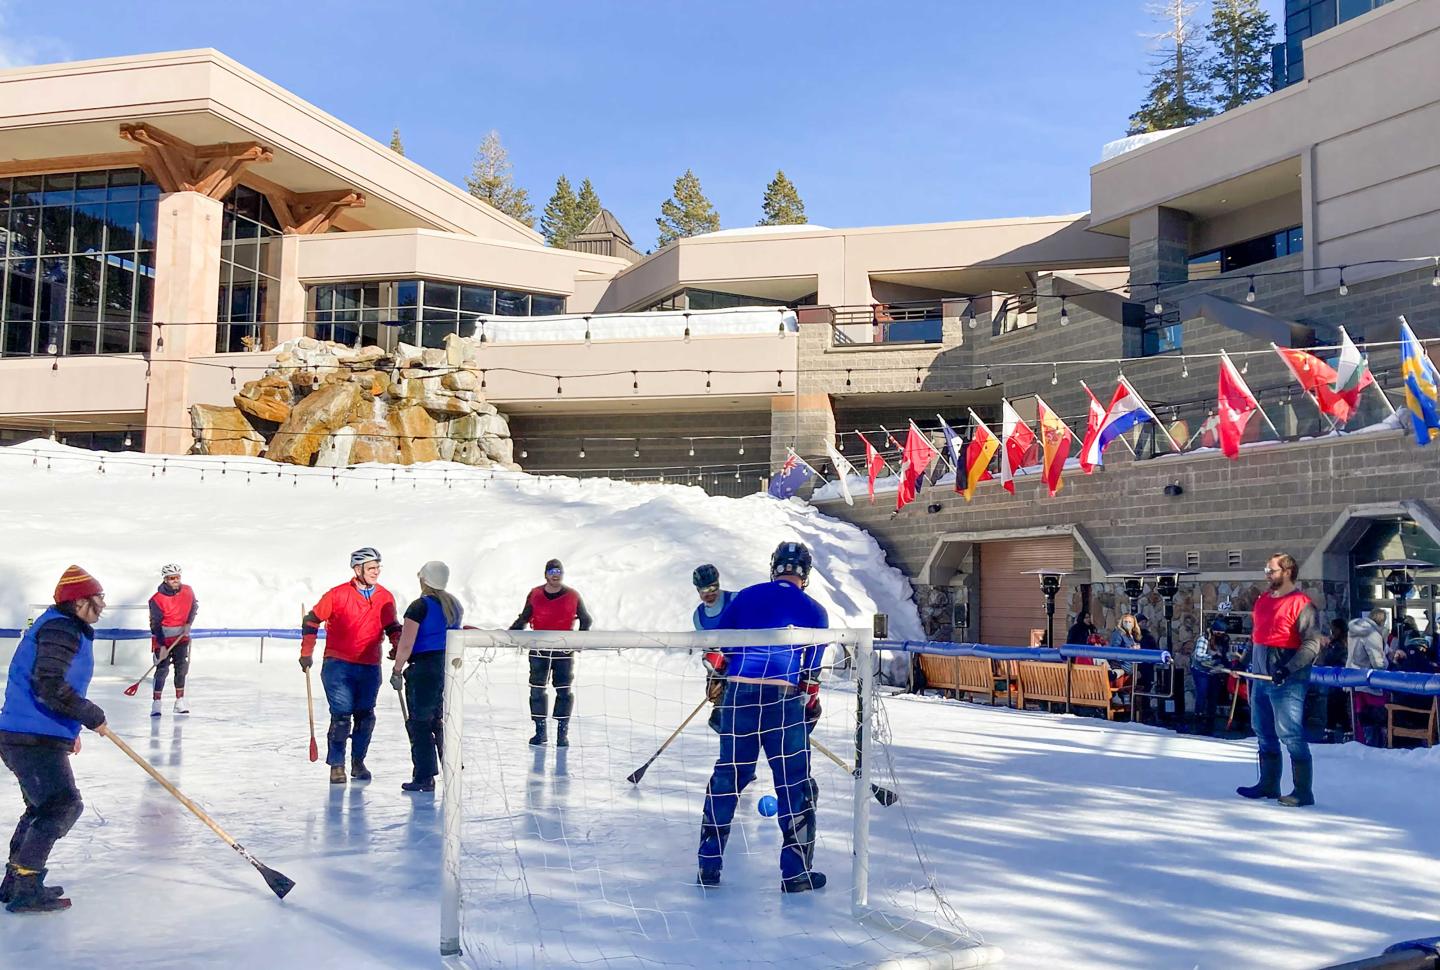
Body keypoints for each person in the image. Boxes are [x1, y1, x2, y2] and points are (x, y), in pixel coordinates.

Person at [697, 540, 828, 894]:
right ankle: (796, 874)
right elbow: (810, 679)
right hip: (782, 700)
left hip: (739, 695)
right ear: (805, 573)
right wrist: (810, 709)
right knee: (793, 781)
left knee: (728, 776)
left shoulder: (746, 596)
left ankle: (708, 866)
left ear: (775, 568)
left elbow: (720, 645)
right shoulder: (815, 611)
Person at [0, 566, 110, 914]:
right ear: (79, 602)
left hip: (34, 733)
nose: (103, 605)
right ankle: (26, 887)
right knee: (61, 805)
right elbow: (48, 684)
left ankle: (15, 882)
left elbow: (55, 687)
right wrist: (89, 714)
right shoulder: (62, 629)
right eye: (98, 598)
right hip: (30, 735)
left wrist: (68, 732)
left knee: (42, 807)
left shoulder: (59, 625)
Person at [300, 548, 401, 785]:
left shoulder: (385, 596)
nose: (376, 572)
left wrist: (397, 648)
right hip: (338, 665)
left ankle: (358, 761)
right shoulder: (337, 595)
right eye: (371, 568)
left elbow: (392, 627)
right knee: (342, 715)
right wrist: (306, 653)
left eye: (378, 567)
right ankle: (337, 765)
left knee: (365, 716)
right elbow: (311, 620)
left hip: (369, 665)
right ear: (358, 570)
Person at [1236, 553, 1322, 808]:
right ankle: (1269, 783)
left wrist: (1288, 668)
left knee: (1290, 733)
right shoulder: (1263, 599)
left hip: (1287, 680)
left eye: (1271, 570)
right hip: (1260, 676)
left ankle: (1302, 791)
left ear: (1287, 572)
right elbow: (1257, 636)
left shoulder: (1302, 604)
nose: (1267, 573)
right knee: (1262, 730)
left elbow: (1311, 644)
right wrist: (1242, 661)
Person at [389, 561, 463, 793]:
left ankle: (424, 776)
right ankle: (450, 767)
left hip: (424, 670)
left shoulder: (419, 606)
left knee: (420, 723)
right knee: (440, 721)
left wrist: (397, 669)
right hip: (449, 667)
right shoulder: (454, 605)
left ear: (424, 580)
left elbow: (407, 643)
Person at [510, 558, 592, 747]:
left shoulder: (572, 595)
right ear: (546, 574)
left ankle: (562, 733)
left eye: (559, 572)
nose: (555, 576)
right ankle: (540, 731)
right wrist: (508, 635)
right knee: (537, 689)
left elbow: (586, 620)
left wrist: (579, 640)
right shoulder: (535, 594)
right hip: (539, 649)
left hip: (563, 650)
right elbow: (524, 618)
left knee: (563, 690)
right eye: (552, 572)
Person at [148, 563, 198, 717]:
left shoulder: (188, 591)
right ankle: (156, 703)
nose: (175, 581)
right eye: (172, 578)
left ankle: (179, 701)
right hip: (163, 639)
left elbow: (194, 607)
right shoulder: (156, 599)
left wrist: (188, 623)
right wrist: (162, 645)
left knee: (181, 669)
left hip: (181, 638)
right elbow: (155, 624)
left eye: (177, 577)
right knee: (162, 670)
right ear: (165, 579)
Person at [692, 564, 737, 733]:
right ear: (698, 590)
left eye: (713, 587)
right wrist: (713, 679)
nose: (709, 594)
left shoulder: (734, 600)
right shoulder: (699, 617)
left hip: (746, 667)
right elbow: (710, 651)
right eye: (704, 590)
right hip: (723, 670)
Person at [1346, 616, 1387, 746]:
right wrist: (1388, 661)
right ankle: (1373, 745)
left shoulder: (1353, 631)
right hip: (1369, 683)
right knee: (1374, 717)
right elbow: (1378, 663)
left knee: (1359, 717)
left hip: (1352, 680)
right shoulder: (1372, 633)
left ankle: (1361, 743)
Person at [1189, 620, 1230, 736]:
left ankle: (1210, 719)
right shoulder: (1204, 639)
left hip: (1215, 671)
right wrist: (1212, 657)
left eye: (1222, 633)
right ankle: (1198, 718)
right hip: (1201, 670)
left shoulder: (1224, 640)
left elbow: (1225, 655)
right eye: (1218, 632)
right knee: (1202, 693)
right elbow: (1198, 655)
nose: (1220, 635)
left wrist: (1226, 663)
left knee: (1214, 695)